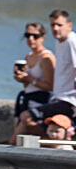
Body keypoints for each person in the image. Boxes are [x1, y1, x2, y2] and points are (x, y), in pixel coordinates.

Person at [13, 10, 76, 144]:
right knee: (24, 125)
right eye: (53, 25)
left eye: (59, 25)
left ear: (69, 26)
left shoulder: (72, 41)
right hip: (58, 98)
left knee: (27, 117)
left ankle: (59, 145)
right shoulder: (60, 43)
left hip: (68, 100)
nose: (55, 28)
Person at [13, 23, 55, 122]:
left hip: (41, 103)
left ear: (43, 38)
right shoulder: (28, 57)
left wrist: (29, 79)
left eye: (35, 36)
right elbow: (27, 85)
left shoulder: (46, 57)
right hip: (28, 101)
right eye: (28, 35)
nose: (31, 39)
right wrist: (21, 78)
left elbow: (51, 86)